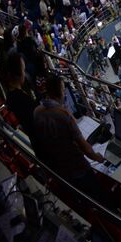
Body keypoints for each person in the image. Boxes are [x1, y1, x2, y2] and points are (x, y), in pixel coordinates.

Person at [28, 72, 112, 203]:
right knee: (98, 197)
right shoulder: (63, 114)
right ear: (60, 91)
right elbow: (85, 148)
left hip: (60, 169)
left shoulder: (37, 112)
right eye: (63, 89)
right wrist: (98, 158)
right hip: (78, 168)